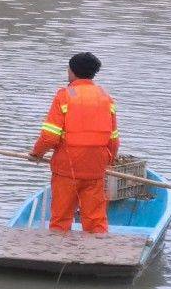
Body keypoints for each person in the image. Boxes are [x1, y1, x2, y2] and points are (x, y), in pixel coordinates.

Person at [28, 52, 119, 234]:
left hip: (66, 168)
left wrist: (36, 154)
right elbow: (113, 140)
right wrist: (108, 162)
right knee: (95, 221)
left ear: (72, 71)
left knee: (61, 219)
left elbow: (49, 136)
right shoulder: (106, 98)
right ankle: (98, 255)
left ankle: (57, 255)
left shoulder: (64, 96)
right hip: (95, 168)